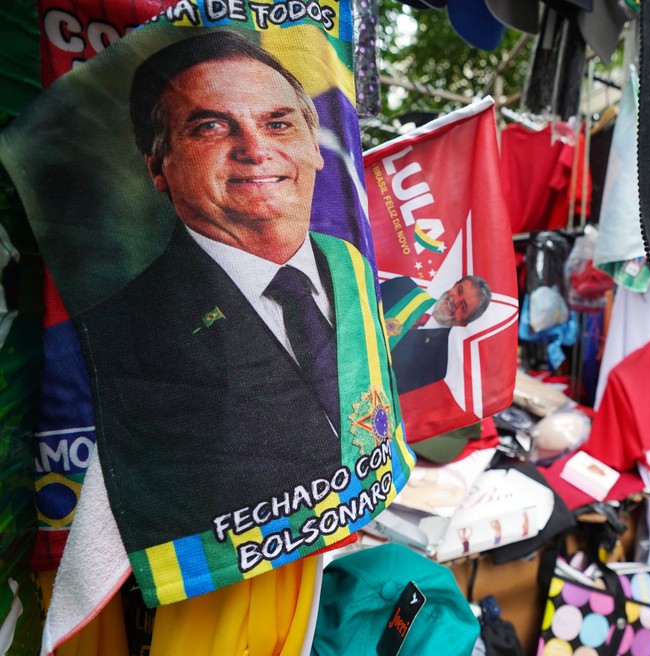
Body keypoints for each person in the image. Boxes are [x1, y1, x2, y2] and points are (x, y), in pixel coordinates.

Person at [77, 30, 398, 557]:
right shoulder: (114, 335)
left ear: (315, 149)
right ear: (158, 165)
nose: (255, 149)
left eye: (278, 123)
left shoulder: (354, 270)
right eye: (210, 126)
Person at [380, 275, 491, 393]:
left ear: (463, 323)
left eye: (463, 307)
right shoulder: (404, 288)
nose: (454, 301)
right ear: (454, 285)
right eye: (459, 291)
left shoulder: (437, 366)